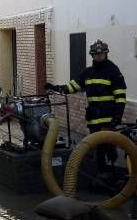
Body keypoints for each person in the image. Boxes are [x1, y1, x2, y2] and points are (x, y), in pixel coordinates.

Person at [45, 39, 127, 171]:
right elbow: (73, 87)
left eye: (101, 54)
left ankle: (111, 174)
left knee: (109, 147)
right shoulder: (88, 72)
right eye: (96, 54)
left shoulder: (113, 71)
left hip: (108, 118)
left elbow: (120, 96)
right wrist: (55, 88)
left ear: (106, 54)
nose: (99, 57)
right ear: (92, 56)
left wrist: (118, 116)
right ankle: (100, 174)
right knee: (96, 148)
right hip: (94, 118)